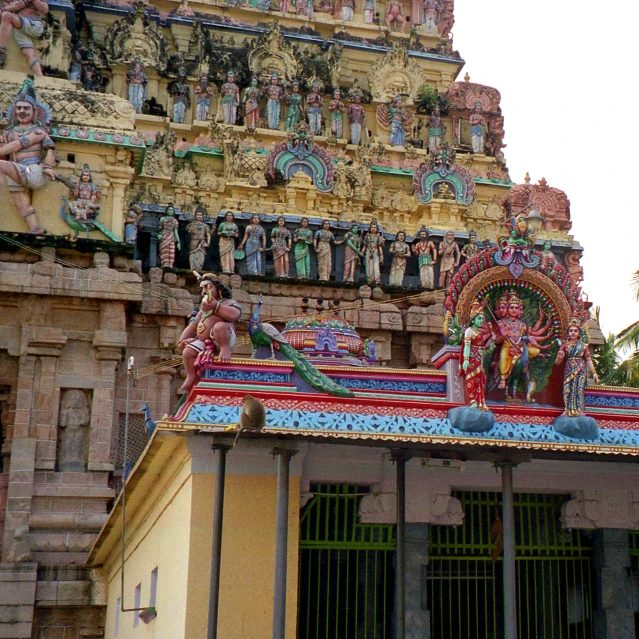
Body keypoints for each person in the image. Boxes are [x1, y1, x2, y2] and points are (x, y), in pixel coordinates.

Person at [0, 80, 55, 234]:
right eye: (18, 108)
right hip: (17, 170)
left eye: (26, 108)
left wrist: (49, 167)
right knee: (20, 201)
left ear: (35, 112)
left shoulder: (37, 132)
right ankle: (35, 228)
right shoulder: (10, 132)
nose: (22, 111)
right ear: (14, 111)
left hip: (33, 171)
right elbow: (5, 155)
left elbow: (17, 146)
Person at [177, 274, 242, 392]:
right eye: (202, 289)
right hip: (204, 341)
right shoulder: (203, 310)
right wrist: (183, 340)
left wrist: (217, 307)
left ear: (219, 290)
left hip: (223, 337)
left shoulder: (227, 302)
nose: (204, 291)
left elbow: (234, 315)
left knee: (219, 327)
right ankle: (191, 375)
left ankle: (224, 349)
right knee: (188, 352)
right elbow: (193, 326)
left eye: (208, 287)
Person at [554, 318, 600, 417]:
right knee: (567, 389)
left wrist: (594, 372)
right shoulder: (565, 346)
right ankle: (567, 409)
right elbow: (557, 363)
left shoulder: (583, 346)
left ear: (579, 333)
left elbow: (588, 359)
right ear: (568, 333)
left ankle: (577, 409)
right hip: (569, 369)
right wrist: (559, 357)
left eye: (575, 331)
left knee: (578, 390)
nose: (573, 333)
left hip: (580, 369)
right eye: (571, 331)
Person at [0, 0, 49, 76]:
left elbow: (45, 9)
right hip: (20, 25)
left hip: (32, 23)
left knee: (7, 16)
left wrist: (3, 9)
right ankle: (40, 77)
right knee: (28, 54)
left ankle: (1, 53)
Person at [460, 301, 490, 410]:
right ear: (473, 320)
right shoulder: (469, 331)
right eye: (479, 318)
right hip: (472, 357)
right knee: (471, 379)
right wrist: (466, 359)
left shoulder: (479, 332)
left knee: (481, 379)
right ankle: (472, 400)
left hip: (479, 357)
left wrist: (490, 347)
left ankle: (480, 401)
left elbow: (482, 346)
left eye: (482, 318)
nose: (481, 321)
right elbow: (467, 346)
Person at [187, 207, 212, 272]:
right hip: (194, 242)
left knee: (201, 258)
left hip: (202, 243)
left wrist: (208, 243)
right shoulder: (192, 224)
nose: (199, 216)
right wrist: (191, 228)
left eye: (200, 215)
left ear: (203, 216)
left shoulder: (205, 225)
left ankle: (199, 270)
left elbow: (208, 234)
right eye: (198, 215)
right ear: (195, 216)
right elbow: (189, 232)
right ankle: (192, 269)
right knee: (193, 256)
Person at [158, 203, 180, 268]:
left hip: (171, 237)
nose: (170, 211)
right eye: (169, 210)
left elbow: (175, 231)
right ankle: (164, 265)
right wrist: (159, 234)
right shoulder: (162, 219)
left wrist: (178, 242)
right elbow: (159, 228)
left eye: (172, 210)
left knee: (171, 252)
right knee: (164, 252)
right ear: (166, 211)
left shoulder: (175, 220)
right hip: (164, 236)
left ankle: (170, 265)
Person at [362, 220, 385, 285]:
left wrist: (381, 255)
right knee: (368, 266)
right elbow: (365, 245)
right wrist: (361, 252)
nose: (373, 229)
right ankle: (369, 279)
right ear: (370, 228)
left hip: (375, 251)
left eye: (375, 227)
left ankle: (377, 279)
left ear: (377, 229)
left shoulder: (378, 236)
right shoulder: (367, 236)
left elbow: (379, 246)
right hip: (368, 251)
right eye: (372, 227)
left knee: (376, 266)